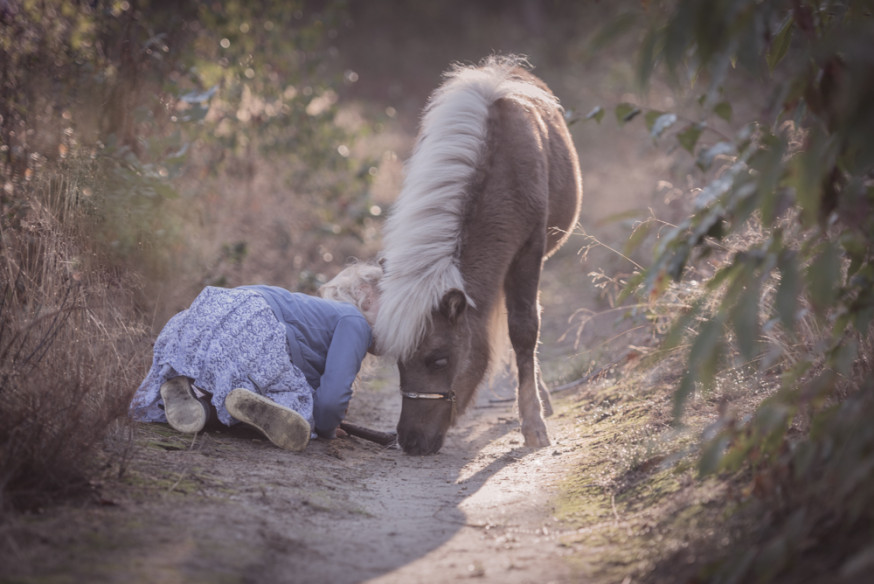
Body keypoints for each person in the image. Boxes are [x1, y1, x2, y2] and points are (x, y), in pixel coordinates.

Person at [129, 262, 382, 452]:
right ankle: (220, 406)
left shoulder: (317, 313)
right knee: (300, 413)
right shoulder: (354, 321)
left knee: (254, 395)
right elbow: (329, 404)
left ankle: (195, 401)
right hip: (256, 321)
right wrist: (325, 428)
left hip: (212, 313)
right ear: (366, 294)